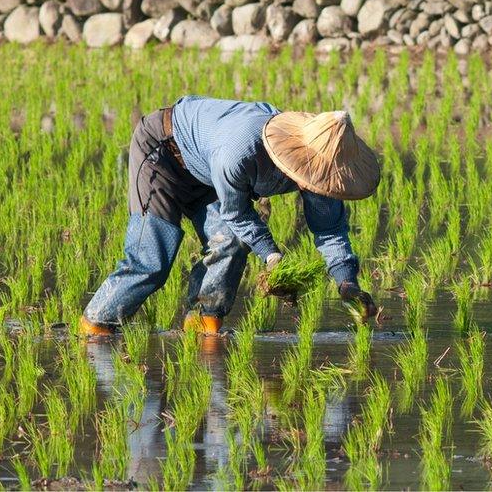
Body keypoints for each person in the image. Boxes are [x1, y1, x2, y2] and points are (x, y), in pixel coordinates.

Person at [80, 96, 380, 336]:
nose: (314, 184)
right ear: (298, 154)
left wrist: (346, 282)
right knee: (152, 259)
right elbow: (235, 211)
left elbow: (330, 229)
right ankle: (95, 328)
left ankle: (202, 326)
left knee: (232, 242)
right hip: (165, 153)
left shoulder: (322, 170)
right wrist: (272, 257)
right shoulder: (243, 149)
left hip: (208, 169)